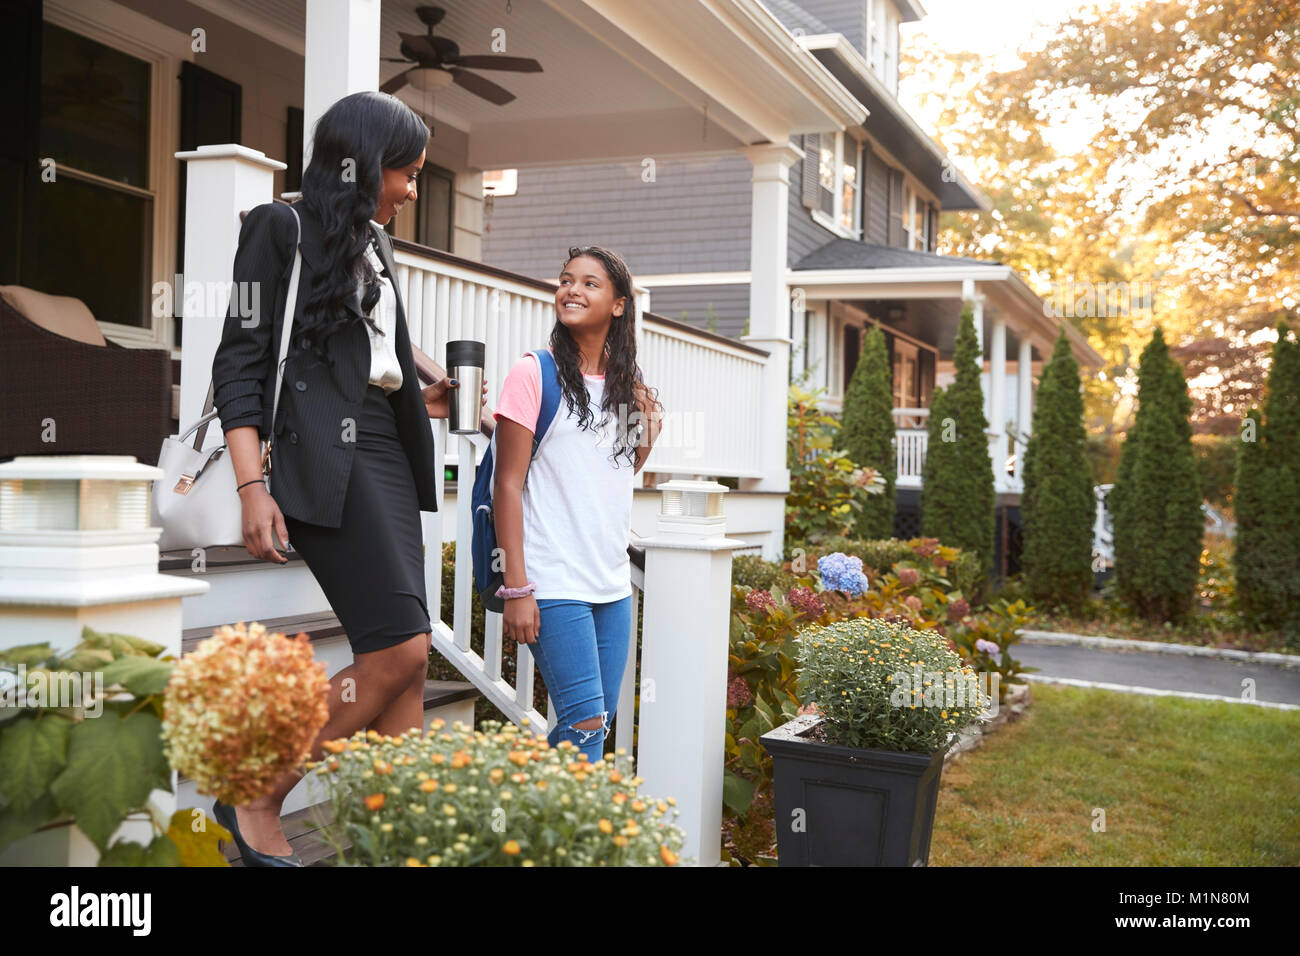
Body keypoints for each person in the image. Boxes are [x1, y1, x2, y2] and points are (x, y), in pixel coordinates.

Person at [208, 91, 487, 866]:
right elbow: (239, 358)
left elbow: (374, 352)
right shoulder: (279, 227)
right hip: (322, 453)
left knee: (406, 658)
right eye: (407, 172)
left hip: (388, 452)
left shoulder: (372, 240)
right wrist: (250, 486)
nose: (412, 189)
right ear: (363, 163)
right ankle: (260, 790)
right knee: (396, 652)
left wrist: (423, 392)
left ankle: (392, 843)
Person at [492, 245, 663, 766]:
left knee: (591, 725)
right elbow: (508, 485)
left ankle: (529, 831)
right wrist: (517, 587)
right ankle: (562, 841)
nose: (572, 289)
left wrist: (649, 424)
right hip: (553, 580)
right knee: (586, 721)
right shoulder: (532, 373)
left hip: (611, 585)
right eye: (567, 280)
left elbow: (617, 474)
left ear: (618, 305)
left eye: (590, 283)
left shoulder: (626, 390)